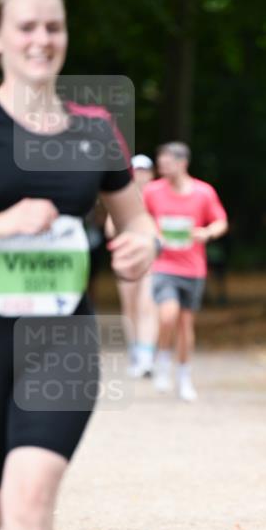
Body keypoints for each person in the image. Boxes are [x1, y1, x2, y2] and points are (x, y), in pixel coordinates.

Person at [0, 0, 159, 530]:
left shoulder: (95, 132)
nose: (40, 40)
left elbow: (138, 223)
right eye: (25, 27)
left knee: (28, 501)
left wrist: (137, 253)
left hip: (61, 341)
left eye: (52, 27)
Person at [143, 141, 228, 401]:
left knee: (185, 324)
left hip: (192, 267)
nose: (162, 168)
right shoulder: (152, 191)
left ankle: (184, 376)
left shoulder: (203, 193)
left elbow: (220, 222)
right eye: (160, 164)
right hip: (163, 265)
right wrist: (152, 233)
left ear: (182, 163)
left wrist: (206, 233)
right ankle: (163, 361)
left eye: (167, 163)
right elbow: (140, 216)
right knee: (168, 315)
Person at [107, 154, 158, 376]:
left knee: (147, 304)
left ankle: (146, 356)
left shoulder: (158, 196)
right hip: (127, 257)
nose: (141, 175)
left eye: (145, 171)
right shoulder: (123, 197)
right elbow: (110, 229)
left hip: (152, 259)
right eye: (136, 171)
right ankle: (135, 352)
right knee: (130, 307)